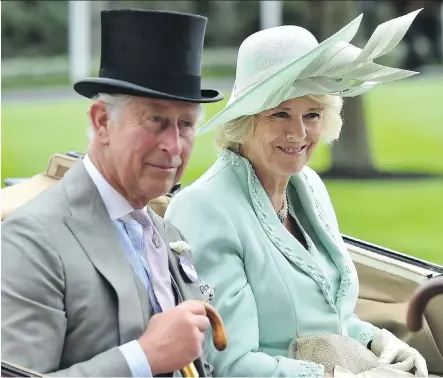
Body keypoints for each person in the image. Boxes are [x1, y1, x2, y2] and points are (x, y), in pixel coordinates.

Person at [165, 8, 428, 378]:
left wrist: (375, 341)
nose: (299, 134)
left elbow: (321, 316)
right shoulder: (205, 208)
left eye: (312, 114)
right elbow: (228, 365)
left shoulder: (310, 188)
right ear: (245, 120)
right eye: (279, 114)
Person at [1, 9, 224, 377]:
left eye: (185, 124)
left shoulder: (167, 233)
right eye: (156, 120)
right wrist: (143, 357)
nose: (174, 145)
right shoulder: (31, 241)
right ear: (102, 122)